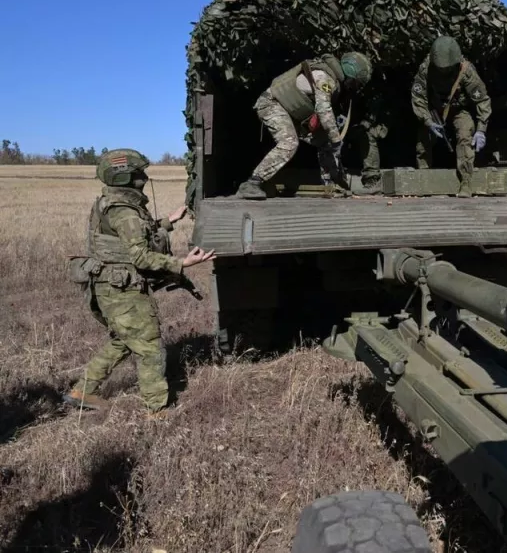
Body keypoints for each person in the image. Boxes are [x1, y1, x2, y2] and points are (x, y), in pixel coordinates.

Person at [65, 149, 216, 418]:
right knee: (150, 347)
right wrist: (182, 263)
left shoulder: (112, 202)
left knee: (123, 340)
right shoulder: (124, 211)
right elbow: (140, 256)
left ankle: (81, 391)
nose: (144, 178)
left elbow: (133, 237)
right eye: (138, 174)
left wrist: (168, 221)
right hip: (122, 289)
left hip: (109, 285)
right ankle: (156, 409)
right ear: (124, 178)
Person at [236, 51, 373, 200]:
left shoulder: (330, 76)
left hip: (289, 111)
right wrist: (336, 140)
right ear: (351, 76)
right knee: (289, 142)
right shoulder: (325, 78)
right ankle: (252, 183)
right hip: (271, 104)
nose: (355, 88)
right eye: (356, 83)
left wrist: (331, 140)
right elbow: (324, 111)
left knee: (324, 141)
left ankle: (333, 184)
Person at [410, 36, 491, 197]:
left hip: (459, 110)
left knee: (465, 133)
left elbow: (482, 100)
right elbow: (418, 97)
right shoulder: (426, 68)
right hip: (433, 111)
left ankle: (466, 182)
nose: (443, 71)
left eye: (447, 68)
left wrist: (481, 129)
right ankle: (423, 177)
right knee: (423, 136)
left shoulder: (466, 71)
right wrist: (427, 120)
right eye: (440, 68)